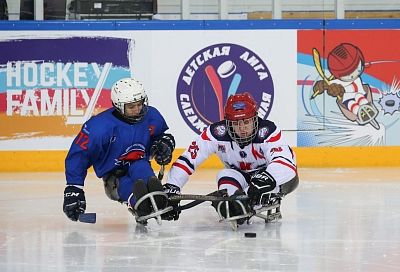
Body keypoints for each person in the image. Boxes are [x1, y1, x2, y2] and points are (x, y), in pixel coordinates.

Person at [162, 92, 299, 225]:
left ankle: (244, 203)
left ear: (255, 119)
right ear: (227, 123)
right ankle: (235, 205)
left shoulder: (268, 131)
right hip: (241, 176)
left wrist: (263, 181)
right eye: (236, 123)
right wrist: (173, 186)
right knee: (224, 174)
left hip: (270, 177)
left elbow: (286, 164)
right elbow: (188, 159)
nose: (242, 128)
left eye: (246, 121)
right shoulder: (215, 133)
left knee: (278, 181)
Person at [63, 77, 175, 223]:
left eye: (140, 103)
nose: (137, 109)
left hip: (140, 164)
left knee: (142, 169)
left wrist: (164, 146)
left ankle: (158, 197)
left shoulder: (151, 115)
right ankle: (139, 203)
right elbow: (79, 155)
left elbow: (160, 137)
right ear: (118, 105)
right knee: (132, 190)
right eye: (131, 106)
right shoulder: (98, 127)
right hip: (115, 177)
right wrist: (74, 188)